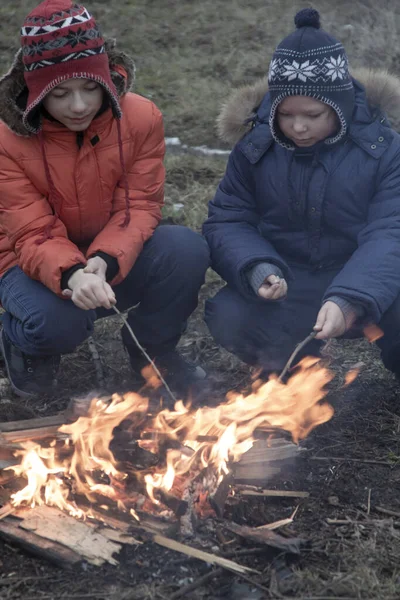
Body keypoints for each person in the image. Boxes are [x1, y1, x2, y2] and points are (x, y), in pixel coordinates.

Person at [0, 0, 209, 399]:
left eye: (91, 88)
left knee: (185, 250)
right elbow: (29, 230)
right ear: (33, 90)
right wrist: (72, 275)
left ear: (107, 78)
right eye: (60, 94)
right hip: (23, 258)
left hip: (109, 250)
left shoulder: (141, 118)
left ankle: (153, 351)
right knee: (59, 324)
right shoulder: (6, 140)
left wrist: (104, 260)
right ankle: (19, 342)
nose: (78, 106)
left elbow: (142, 205)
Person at [203, 8, 400, 377]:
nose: (298, 127)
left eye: (313, 115)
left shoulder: (385, 150)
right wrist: (259, 268)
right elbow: (229, 219)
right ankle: (298, 375)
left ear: (339, 106)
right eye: (285, 115)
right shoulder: (254, 148)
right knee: (229, 313)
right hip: (289, 279)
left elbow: (392, 232)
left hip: (363, 277)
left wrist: (349, 299)